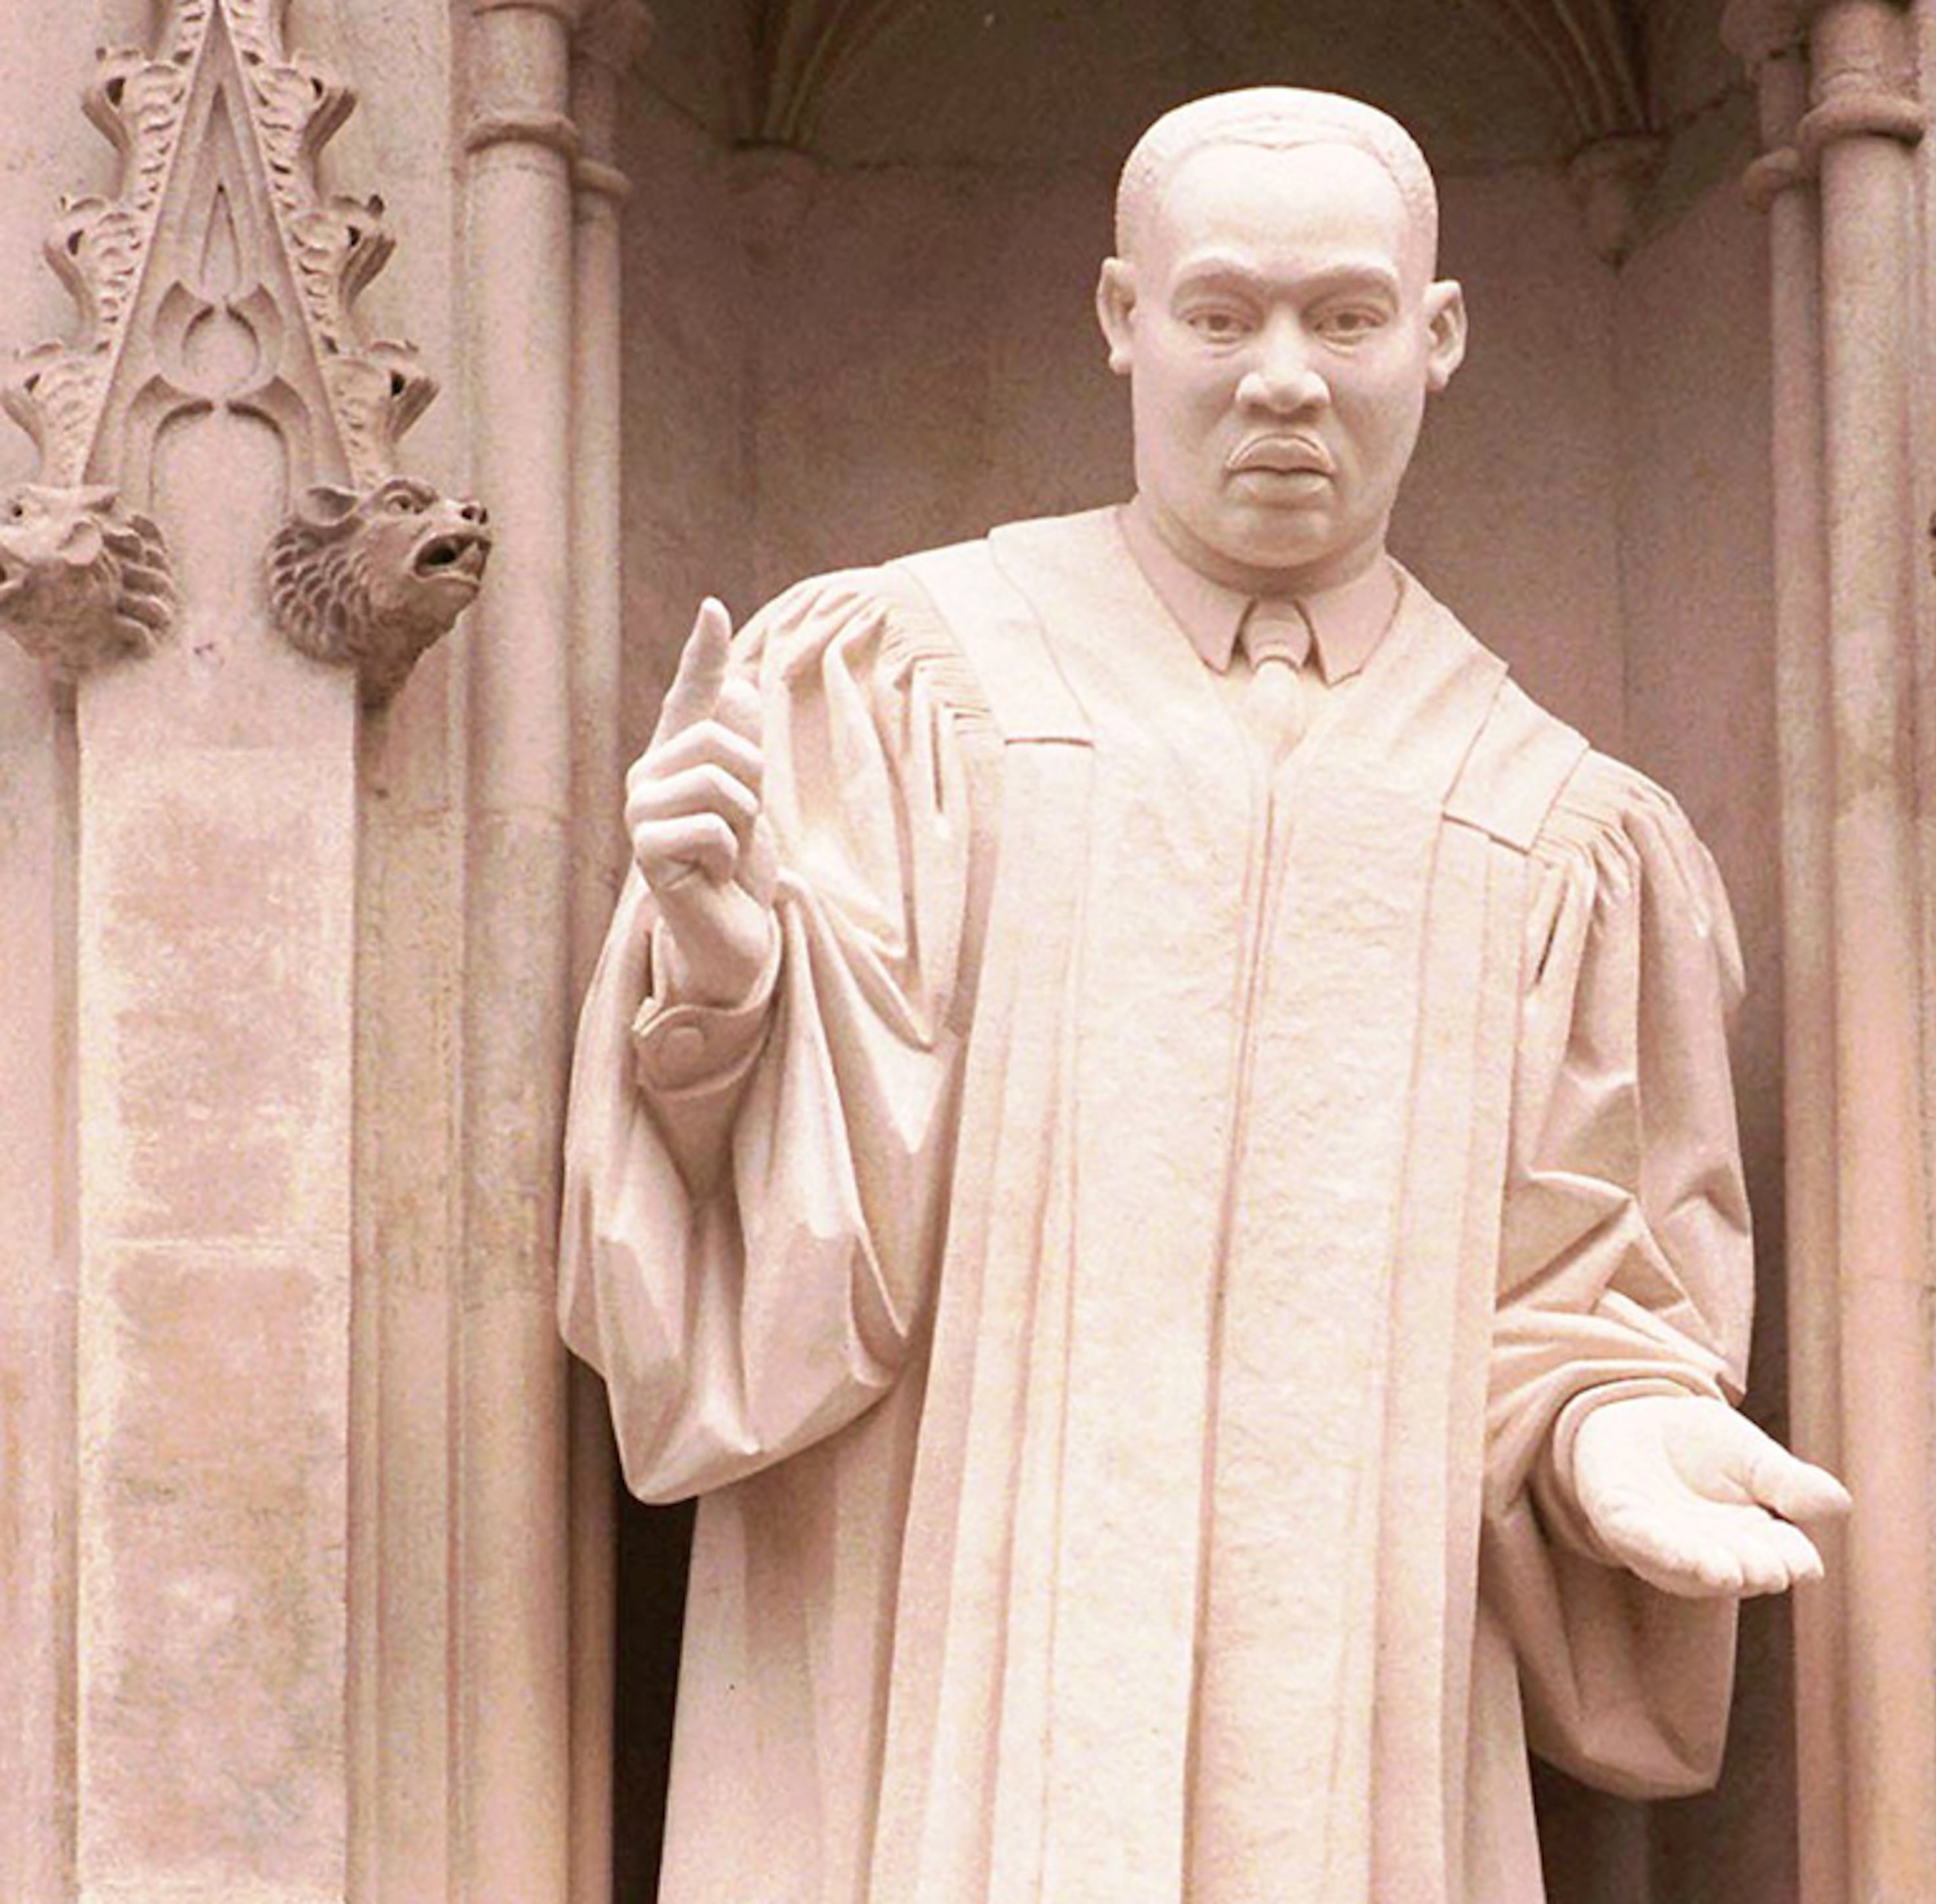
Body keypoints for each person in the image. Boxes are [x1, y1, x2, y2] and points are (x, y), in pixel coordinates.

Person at [561, 84, 1849, 1904]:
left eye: (1345, 316)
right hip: (940, 1699)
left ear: (1440, 332)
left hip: (1352, 1722)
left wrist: (1611, 1424)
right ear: (1121, 319)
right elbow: (752, 1284)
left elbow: (1578, 1282)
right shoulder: (897, 689)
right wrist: (720, 993)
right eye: (1221, 312)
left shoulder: (1558, 826)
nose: (1283, 378)